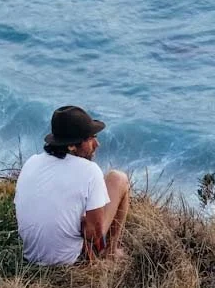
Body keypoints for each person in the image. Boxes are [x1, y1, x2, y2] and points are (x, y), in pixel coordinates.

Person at [14, 105, 130, 265]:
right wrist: (86, 223)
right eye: (90, 139)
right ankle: (110, 253)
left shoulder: (32, 162)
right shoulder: (90, 171)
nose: (97, 144)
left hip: (31, 256)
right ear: (71, 146)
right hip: (69, 260)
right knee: (118, 179)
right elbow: (94, 235)